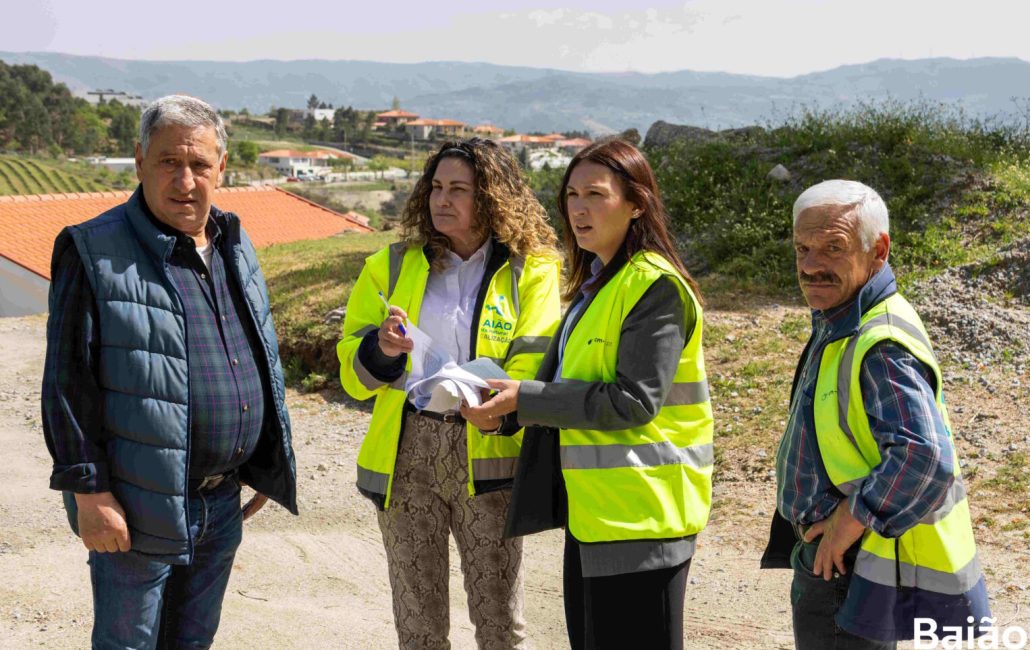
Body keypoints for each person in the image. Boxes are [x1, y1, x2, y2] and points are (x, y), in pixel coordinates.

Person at [40, 94, 298, 649]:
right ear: (140, 162)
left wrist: (262, 460)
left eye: (200, 165)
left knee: (193, 642)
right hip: (136, 507)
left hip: (220, 503)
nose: (185, 180)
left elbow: (261, 357)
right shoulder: (93, 250)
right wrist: (90, 494)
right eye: (168, 162)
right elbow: (67, 385)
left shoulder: (233, 242)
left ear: (221, 168)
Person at [463, 138, 714, 650]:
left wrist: (525, 400)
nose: (579, 208)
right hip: (596, 516)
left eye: (596, 195)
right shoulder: (597, 285)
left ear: (637, 203)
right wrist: (506, 412)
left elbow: (633, 401)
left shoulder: (654, 288)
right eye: (572, 195)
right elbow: (567, 384)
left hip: (644, 519)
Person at [337, 138, 561, 649]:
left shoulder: (535, 269)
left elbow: (535, 355)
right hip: (407, 453)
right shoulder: (390, 266)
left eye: (459, 189)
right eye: (436, 187)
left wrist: (498, 408)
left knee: (500, 623)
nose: (443, 199)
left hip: (489, 452)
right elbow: (351, 365)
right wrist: (383, 349)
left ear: (492, 197)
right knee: (418, 626)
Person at [759, 180, 991, 648]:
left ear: (878, 250)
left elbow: (924, 456)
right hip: (842, 559)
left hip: (846, 563)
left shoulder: (878, 341)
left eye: (833, 248)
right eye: (802, 248)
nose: (810, 266)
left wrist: (852, 518)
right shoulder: (846, 314)